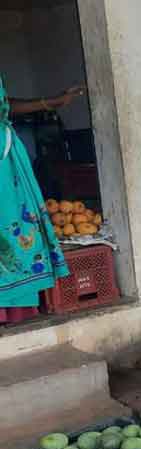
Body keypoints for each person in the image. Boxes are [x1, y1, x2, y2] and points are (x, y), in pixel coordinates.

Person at [0, 77, 85, 323]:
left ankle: (12, 309)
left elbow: (5, 105)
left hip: (8, 164)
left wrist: (50, 102)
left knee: (16, 234)